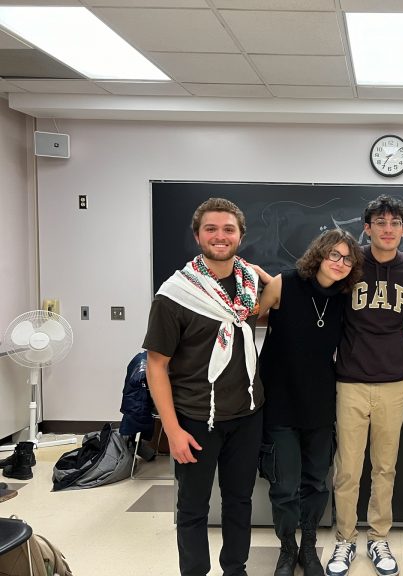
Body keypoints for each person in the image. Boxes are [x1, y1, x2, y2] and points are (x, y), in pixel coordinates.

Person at [143, 197, 269, 576]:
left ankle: (235, 569)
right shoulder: (175, 293)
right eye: (210, 229)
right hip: (197, 419)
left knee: (239, 501)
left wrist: (270, 279)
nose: (220, 236)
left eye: (229, 229)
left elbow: (273, 300)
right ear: (197, 235)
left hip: (247, 414)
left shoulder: (249, 284)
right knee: (193, 508)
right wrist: (172, 430)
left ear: (241, 236)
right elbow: (156, 366)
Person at [257, 230, 363, 576]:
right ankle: (287, 548)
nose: (340, 263)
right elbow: (247, 318)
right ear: (319, 254)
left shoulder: (344, 298)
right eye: (334, 254)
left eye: (348, 259)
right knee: (284, 485)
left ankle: (308, 545)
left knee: (316, 482)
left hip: (320, 402)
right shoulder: (283, 284)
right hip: (280, 402)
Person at [326, 195, 403, 576]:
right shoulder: (350, 262)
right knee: (348, 469)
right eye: (380, 222)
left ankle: (379, 537)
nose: (387, 229)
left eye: (394, 223)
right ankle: (345, 539)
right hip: (350, 380)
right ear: (367, 228)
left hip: (394, 382)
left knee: (385, 468)